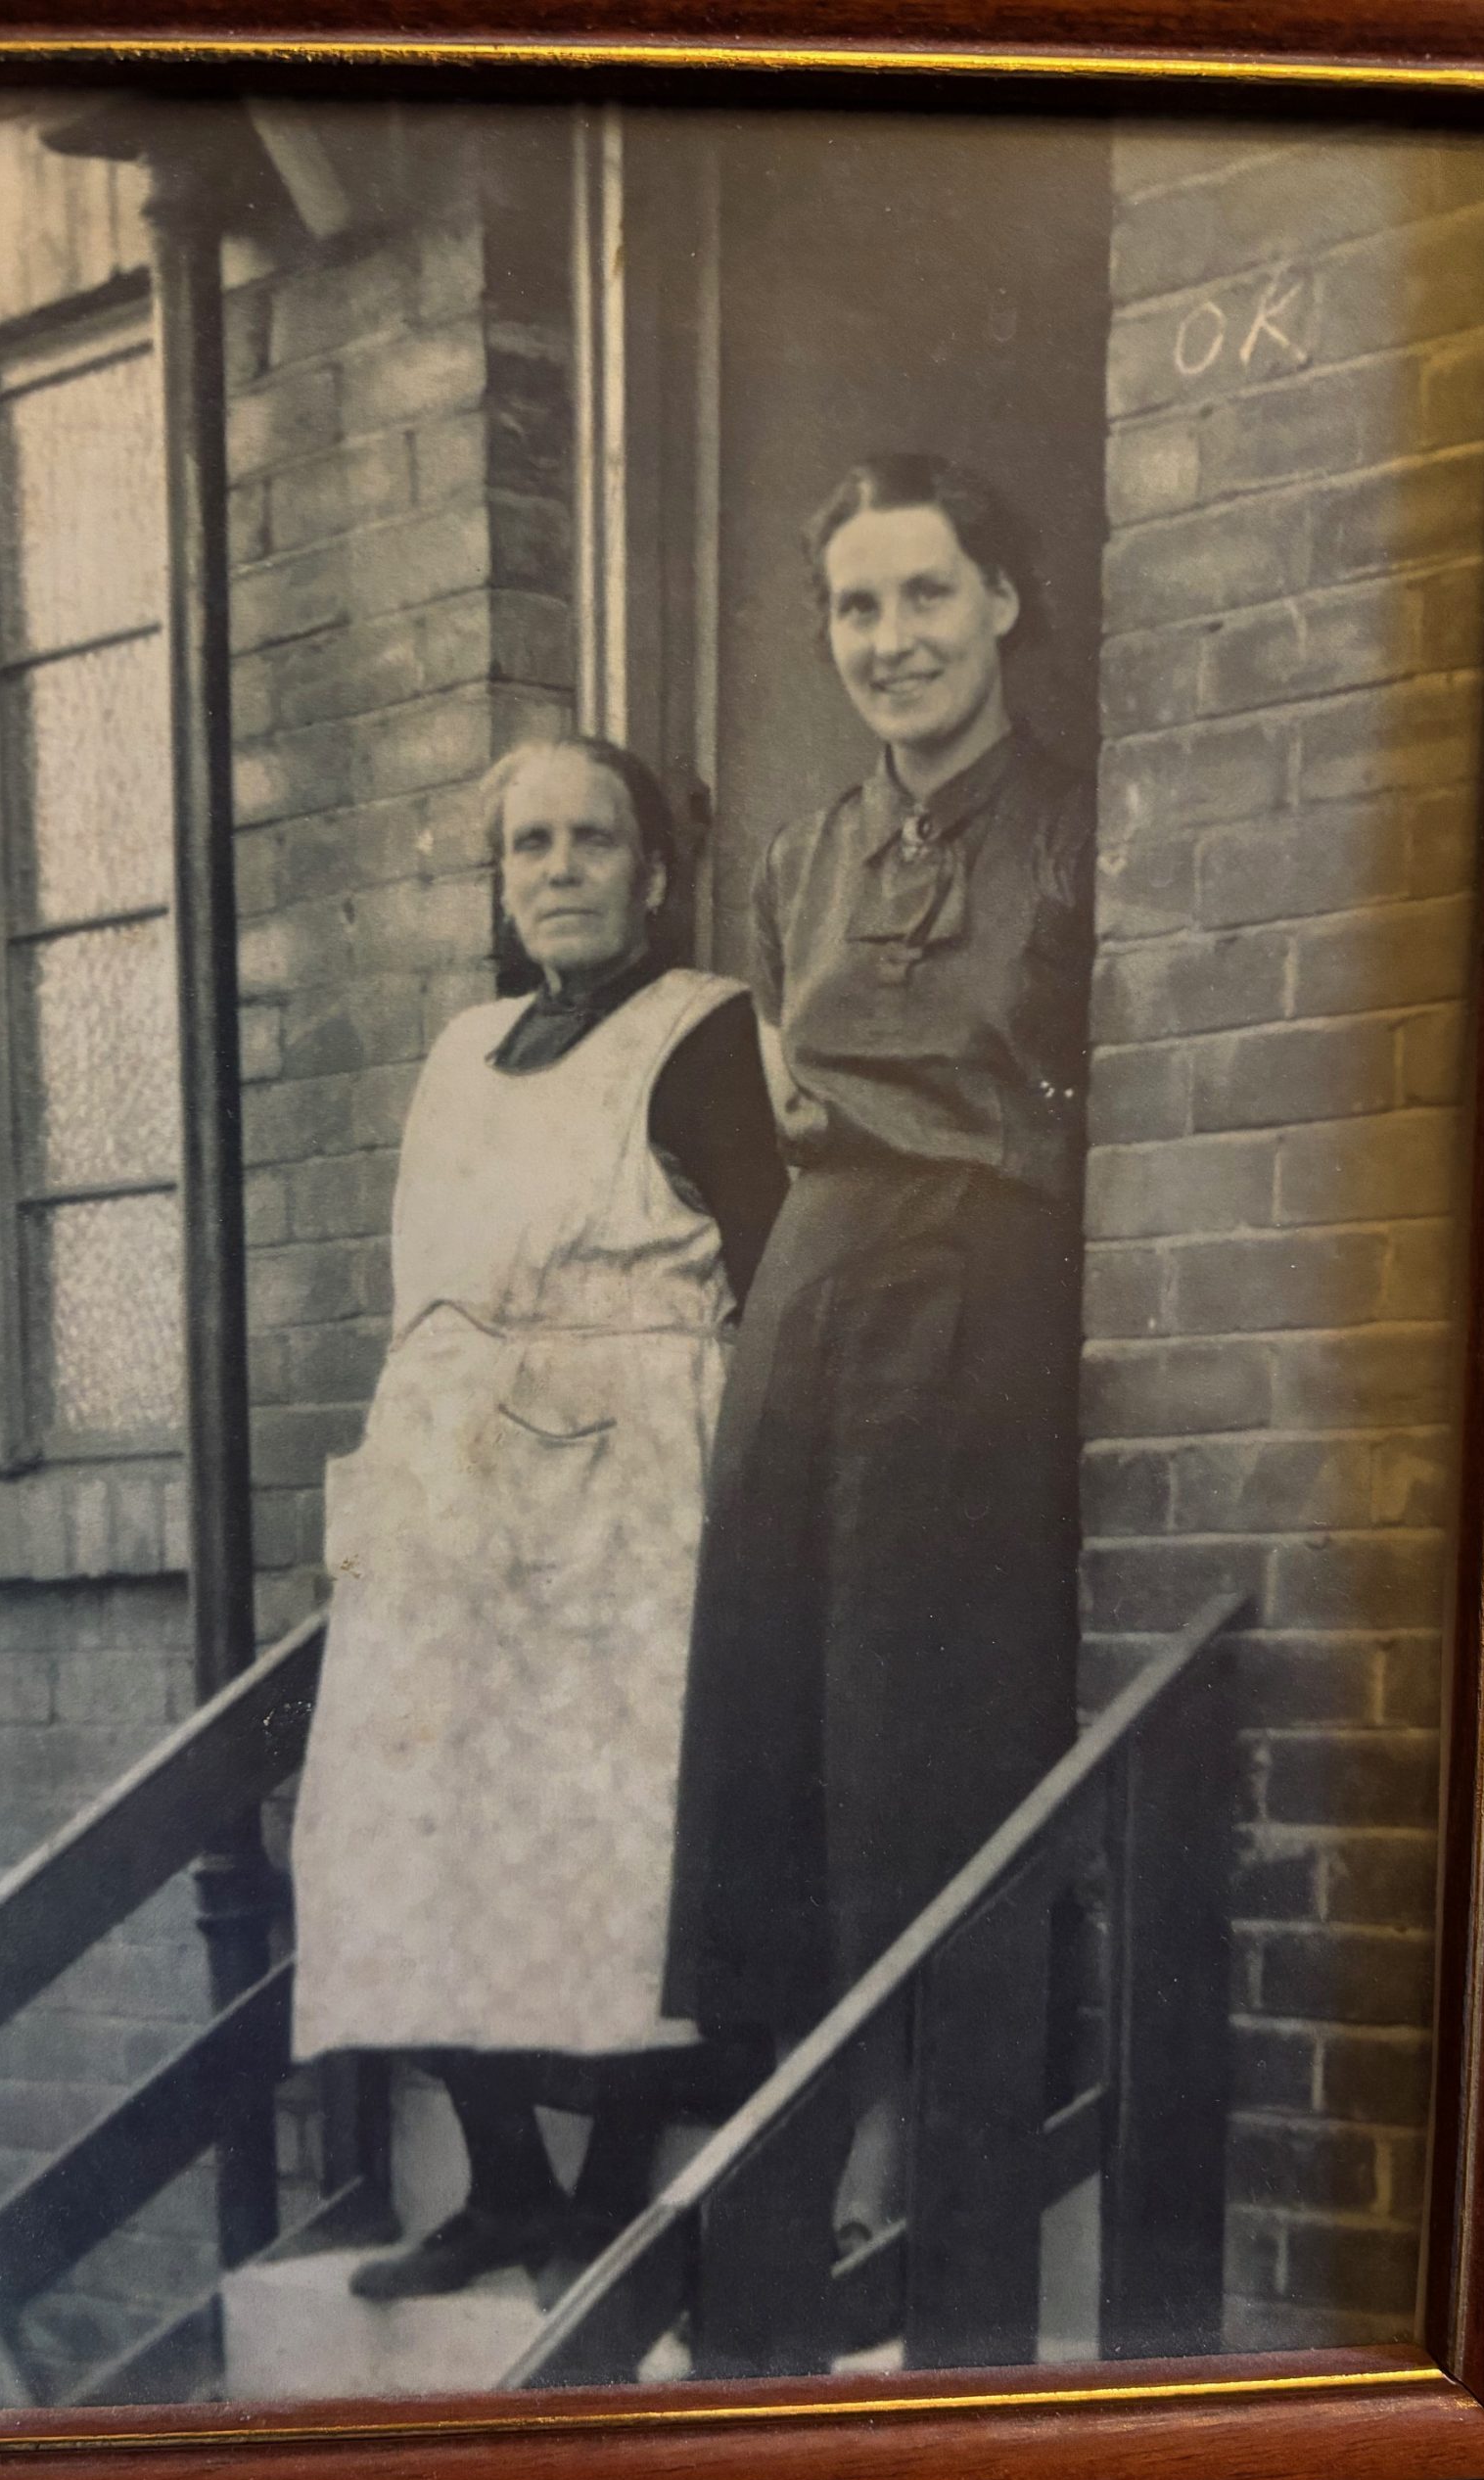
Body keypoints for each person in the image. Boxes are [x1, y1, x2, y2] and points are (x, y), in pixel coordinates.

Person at [291, 732, 785, 2304]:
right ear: (501, 882)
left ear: (655, 873)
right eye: (530, 844)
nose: (560, 868)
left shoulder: (704, 1034)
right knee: (417, 1819)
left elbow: (769, 1283)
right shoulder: (460, 1051)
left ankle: (607, 2200)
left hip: (627, 1495)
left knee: (616, 1830)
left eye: (593, 839)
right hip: (453, 1496)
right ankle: (503, 2185)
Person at [664, 453, 1090, 2269]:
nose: (892, 637)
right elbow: (783, 1100)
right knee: (775, 1699)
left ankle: (918, 2129)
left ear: (1002, 601)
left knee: (919, 1705)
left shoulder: (1081, 828)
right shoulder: (798, 859)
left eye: (927, 593)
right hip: (814, 1285)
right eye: (856, 605)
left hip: (981, 1284)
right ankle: (804, 2100)